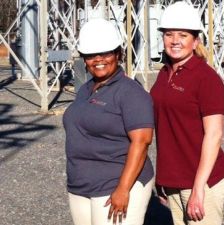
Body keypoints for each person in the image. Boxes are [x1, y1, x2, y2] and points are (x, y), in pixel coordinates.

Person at [63, 18, 154, 225]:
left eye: (105, 53)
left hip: (115, 184)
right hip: (80, 185)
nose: (98, 59)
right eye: (91, 55)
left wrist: (123, 189)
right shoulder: (86, 89)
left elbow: (142, 142)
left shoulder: (130, 92)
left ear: (118, 54)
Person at [150, 2, 224, 225]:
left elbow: (214, 134)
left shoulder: (206, 78)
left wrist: (198, 188)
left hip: (201, 180)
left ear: (195, 41)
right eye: (169, 34)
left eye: (183, 35)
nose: (175, 41)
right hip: (174, 178)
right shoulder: (164, 74)